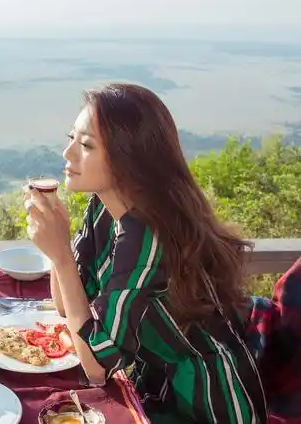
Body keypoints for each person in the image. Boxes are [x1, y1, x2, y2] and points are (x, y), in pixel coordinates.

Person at [25, 82, 268, 423]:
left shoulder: (148, 235)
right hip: (148, 381)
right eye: (72, 138)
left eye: (86, 145)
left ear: (128, 159)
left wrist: (61, 254)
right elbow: (69, 307)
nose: (68, 154)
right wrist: (54, 249)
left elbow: (95, 366)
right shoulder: (104, 208)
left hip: (200, 400)